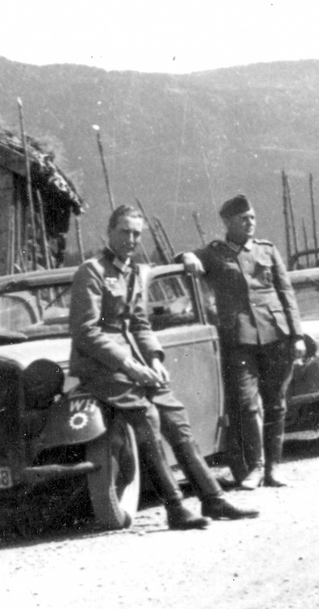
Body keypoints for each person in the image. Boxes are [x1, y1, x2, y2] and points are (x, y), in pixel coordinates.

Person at [70, 205, 257, 529]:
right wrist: (128, 364)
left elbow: (140, 323)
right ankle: (175, 506)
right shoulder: (92, 271)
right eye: (124, 232)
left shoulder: (134, 271)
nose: (131, 239)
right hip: (100, 368)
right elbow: (86, 330)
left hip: (136, 366)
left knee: (174, 414)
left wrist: (154, 359)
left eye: (136, 234)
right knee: (147, 416)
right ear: (110, 231)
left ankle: (212, 498)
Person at [180, 195, 304, 489]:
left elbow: (287, 294)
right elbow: (187, 258)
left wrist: (297, 335)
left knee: (276, 405)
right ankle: (256, 467)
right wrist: (186, 257)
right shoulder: (214, 254)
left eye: (252, 217)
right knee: (248, 405)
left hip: (276, 335)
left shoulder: (267, 250)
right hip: (239, 338)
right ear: (227, 222)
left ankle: (274, 468)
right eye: (243, 219)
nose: (250, 223)